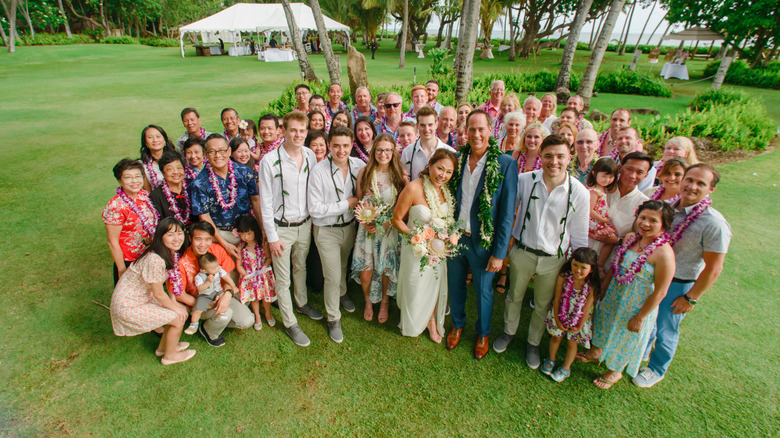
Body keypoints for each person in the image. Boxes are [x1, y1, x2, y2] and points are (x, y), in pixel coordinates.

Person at [493, 134, 589, 368]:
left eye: (560, 156)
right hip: (523, 252)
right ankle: (508, 331)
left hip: (554, 260)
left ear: (569, 158)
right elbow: (506, 210)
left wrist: (576, 268)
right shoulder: (525, 180)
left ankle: (533, 343)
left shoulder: (579, 191)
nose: (553, 161)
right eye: (548, 156)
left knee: (542, 304)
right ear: (541, 157)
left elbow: (579, 234)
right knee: (514, 296)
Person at [633, 164, 731, 388]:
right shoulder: (665, 207)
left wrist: (691, 297)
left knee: (667, 328)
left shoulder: (713, 223)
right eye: (689, 179)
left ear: (711, 189)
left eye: (701, 183)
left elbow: (714, 267)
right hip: (650, 276)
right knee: (646, 318)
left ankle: (657, 369)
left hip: (679, 283)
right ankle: (641, 351)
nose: (692, 186)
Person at [447, 110, 518, 360]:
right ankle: (457, 324)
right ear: (465, 131)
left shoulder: (505, 164)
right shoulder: (457, 158)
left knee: (484, 291)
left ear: (491, 130)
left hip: (484, 242)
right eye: (471, 129)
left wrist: (499, 254)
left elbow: (507, 213)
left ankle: (483, 333)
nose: (476, 134)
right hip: (456, 237)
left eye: (481, 129)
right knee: (455, 286)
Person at [588, 200, 676, 389]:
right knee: (605, 321)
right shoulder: (630, 238)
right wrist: (603, 289)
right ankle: (597, 353)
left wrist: (640, 316)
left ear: (664, 225)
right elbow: (615, 265)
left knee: (626, 335)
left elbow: (661, 291)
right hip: (615, 294)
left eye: (653, 221)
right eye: (642, 218)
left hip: (638, 304)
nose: (645, 224)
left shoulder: (664, 253)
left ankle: (615, 370)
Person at [259, 111, 322, 347]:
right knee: (283, 278)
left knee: (301, 266)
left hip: (305, 225)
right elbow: (265, 203)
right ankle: (289, 322)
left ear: (307, 132)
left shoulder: (309, 155)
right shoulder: (269, 161)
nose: (297, 134)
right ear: (282, 131)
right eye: (293, 130)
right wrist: (272, 237)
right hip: (281, 228)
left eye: (302, 130)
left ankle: (302, 303)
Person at [393, 149, 459, 343]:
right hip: (415, 247)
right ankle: (414, 320)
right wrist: (416, 237)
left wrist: (449, 235)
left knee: (433, 284)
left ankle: (431, 320)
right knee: (416, 284)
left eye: (448, 172)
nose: (443, 175)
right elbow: (397, 219)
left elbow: (447, 220)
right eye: (440, 168)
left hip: (437, 248)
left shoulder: (446, 191)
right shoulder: (414, 188)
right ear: (430, 165)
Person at [110, 217, 195, 365]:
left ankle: (164, 348)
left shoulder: (168, 252)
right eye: (170, 235)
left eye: (179, 233)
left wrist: (174, 303)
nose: (177, 238)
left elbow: (169, 281)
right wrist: (176, 308)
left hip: (140, 297)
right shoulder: (155, 259)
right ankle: (170, 356)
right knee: (178, 317)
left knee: (176, 312)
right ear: (160, 236)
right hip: (129, 305)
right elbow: (158, 294)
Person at [308, 126, 365, 343]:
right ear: (329, 145)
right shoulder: (319, 171)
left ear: (352, 145)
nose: (341, 150)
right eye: (336, 146)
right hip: (326, 231)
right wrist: (346, 204)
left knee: (342, 266)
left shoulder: (359, 165)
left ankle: (342, 294)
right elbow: (315, 208)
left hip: (349, 228)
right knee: (331, 275)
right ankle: (333, 317)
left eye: (346, 146)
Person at [352, 134, 406, 322]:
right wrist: (365, 221)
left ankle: (384, 301)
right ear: (374, 151)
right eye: (379, 149)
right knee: (365, 272)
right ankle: (368, 301)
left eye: (388, 150)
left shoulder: (400, 176)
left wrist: (387, 221)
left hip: (388, 230)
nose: (383, 154)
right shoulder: (364, 172)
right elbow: (359, 201)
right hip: (366, 231)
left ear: (394, 152)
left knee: (384, 268)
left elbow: (402, 208)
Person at [176, 221, 254, 347]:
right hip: (200, 304)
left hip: (220, 295)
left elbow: (227, 276)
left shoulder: (217, 250)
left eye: (207, 239)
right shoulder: (182, 263)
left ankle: (213, 321)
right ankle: (209, 331)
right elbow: (180, 295)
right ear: (190, 238)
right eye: (198, 239)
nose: (203, 244)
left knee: (247, 321)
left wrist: (227, 295)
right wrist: (205, 304)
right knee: (225, 313)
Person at [190, 134, 263, 259]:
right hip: (220, 234)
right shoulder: (199, 183)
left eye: (222, 151)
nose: (218, 155)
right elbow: (204, 216)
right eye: (212, 152)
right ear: (206, 154)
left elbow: (255, 200)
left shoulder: (244, 171)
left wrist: (262, 229)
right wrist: (225, 244)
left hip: (247, 230)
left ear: (229, 151)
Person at [541, 247, 600, 382]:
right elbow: (557, 298)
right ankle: (551, 359)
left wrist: (579, 326)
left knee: (572, 343)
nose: (578, 270)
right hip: (560, 312)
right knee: (556, 338)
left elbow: (587, 308)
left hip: (579, 319)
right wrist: (557, 318)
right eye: (575, 265)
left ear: (591, 269)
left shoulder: (591, 285)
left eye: (583, 267)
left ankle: (566, 368)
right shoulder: (564, 276)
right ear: (571, 262)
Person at [104, 159, 160, 285]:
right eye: (128, 177)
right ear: (120, 180)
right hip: (129, 259)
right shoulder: (116, 206)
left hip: (149, 253)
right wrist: (121, 268)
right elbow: (112, 241)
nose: (134, 181)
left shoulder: (144, 195)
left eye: (137, 176)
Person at [235, 215, 276, 331]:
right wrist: (245, 275)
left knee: (264, 296)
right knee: (254, 297)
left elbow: (268, 258)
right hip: (249, 277)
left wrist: (264, 267)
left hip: (262, 275)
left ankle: (267, 313)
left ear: (255, 231)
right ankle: (257, 316)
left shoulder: (262, 244)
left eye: (248, 233)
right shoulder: (241, 247)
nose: (245, 237)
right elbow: (239, 265)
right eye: (242, 234)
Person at [183, 252, 238, 335]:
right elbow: (200, 288)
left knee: (222, 297)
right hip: (205, 295)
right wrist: (208, 282)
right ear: (204, 270)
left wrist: (233, 286)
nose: (216, 269)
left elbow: (226, 277)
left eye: (217, 266)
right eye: (213, 268)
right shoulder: (199, 276)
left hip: (217, 291)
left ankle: (220, 313)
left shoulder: (218, 270)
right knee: (197, 310)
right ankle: (193, 324)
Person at [400, 106, 455, 181]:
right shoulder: (407, 152)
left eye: (430, 125)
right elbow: (405, 180)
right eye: (422, 125)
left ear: (436, 124)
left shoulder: (450, 152)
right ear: (417, 126)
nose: (426, 129)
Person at [586, 159, 619, 269]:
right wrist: (603, 220)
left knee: (610, 239)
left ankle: (600, 263)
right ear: (594, 173)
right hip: (594, 221)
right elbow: (590, 210)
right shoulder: (594, 191)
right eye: (604, 176)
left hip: (598, 220)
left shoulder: (602, 189)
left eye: (610, 177)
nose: (607, 180)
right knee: (611, 237)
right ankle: (600, 264)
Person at [150, 151, 193, 226]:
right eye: (170, 169)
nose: (176, 172)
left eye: (179, 168)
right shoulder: (156, 196)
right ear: (163, 173)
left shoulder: (193, 186)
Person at [140, 124, 177, 192]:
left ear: (165, 140)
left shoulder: (176, 159)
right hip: (157, 200)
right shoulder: (143, 165)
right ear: (145, 143)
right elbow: (148, 192)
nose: (155, 140)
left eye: (158, 136)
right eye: (150, 137)